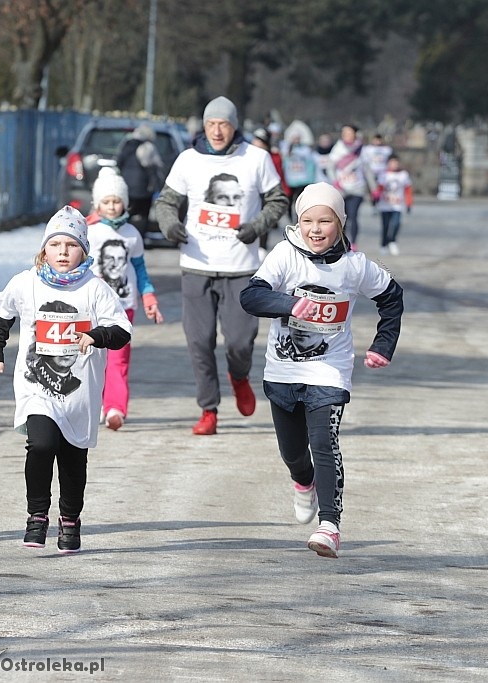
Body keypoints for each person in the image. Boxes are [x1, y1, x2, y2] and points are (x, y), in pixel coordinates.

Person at [240, 182, 404, 558]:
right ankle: (303, 481)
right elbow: (250, 295)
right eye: (308, 220)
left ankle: (330, 524)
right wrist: (287, 303)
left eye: (325, 221)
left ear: (341, 225)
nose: (316, 229)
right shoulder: (284, 255)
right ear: (298, 223)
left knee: (324, 443)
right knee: (294, 453)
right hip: (282, 371)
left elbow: (392, 299)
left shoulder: (355, 266)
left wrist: (382, 345)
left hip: (329, 372)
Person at [0, 206, 131, 553]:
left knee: (72, 457)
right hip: (36, 386)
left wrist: (97, 335)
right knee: (42, 444)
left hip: (80, 392)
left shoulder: (95, 289)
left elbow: (122, 330)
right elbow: (2, 313)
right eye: (55, 245)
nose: (63, 252)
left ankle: (70, 518)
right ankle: (37, 515)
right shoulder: (26, 282)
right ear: (43, 250)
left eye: (71, 245)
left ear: (84, 250)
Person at [155, 95, 289, 436]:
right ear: (204, 126)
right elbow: (166, 202)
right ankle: (208, 409)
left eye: (224, 124)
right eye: (211, 124)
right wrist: (170, 225)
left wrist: (256, 227)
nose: (217, 131)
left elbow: (278, 199)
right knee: (199, 341)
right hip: (196, 265)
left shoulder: (255, 158)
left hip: (242, 267)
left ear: (234, 126)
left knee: (240, 341)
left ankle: (240, 376)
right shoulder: (188, 160)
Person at [84, 168, 163, 431]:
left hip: (123, 307)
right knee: (90, 359)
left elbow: (140, 269)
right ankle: (91, 406)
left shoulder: (132, 234)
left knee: (118, 359)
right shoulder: (88, 231)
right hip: (90, 308)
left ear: (125, 203)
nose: (111, 206)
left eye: (116, 201)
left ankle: (115, 408)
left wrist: (148, 296)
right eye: (106, 201)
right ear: (97, 203)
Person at [327, 124, 376, 250]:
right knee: (341, 216)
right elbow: (330, 166)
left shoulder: (361, 150)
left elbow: (368, 171)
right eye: (344, 133)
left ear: (355, 134)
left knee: (353, 215)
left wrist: (374, 188)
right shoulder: (338, 148)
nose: (346, 135)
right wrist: (335, 181)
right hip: (341, 189)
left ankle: (353, 243)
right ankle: (341, 241)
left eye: (349, 132)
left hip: (357, 188)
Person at [116, 123, 165, 238]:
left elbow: (119, 163)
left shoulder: (126, 145)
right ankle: (139, 238)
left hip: (127, 187)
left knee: (125, 213)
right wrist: (157, 186)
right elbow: (153, 168)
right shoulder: (148, 147)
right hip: (143, 189)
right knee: (143, 215)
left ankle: (122, 235)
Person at [250, 127, 291, 253]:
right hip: (251, 193)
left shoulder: (273, 157)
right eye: (255, 141)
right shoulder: (246, 156)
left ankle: (262, 246)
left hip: (266, 193)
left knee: (263, 218)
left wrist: (285, 189)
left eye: (260, 142)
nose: (256, 144)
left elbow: (279, 176)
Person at [374, 154, 413, 255]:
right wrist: (375, 199)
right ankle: (383, 244)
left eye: (396, 163)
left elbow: (408, 190)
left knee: (396, 224)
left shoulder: (403, 175)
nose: (394, 165)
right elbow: (379, 189)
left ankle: (392, 241)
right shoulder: (383, 175)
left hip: (397, 204)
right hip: (385, 205)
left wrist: (409, 203)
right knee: (385, 225)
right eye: (392, 162)